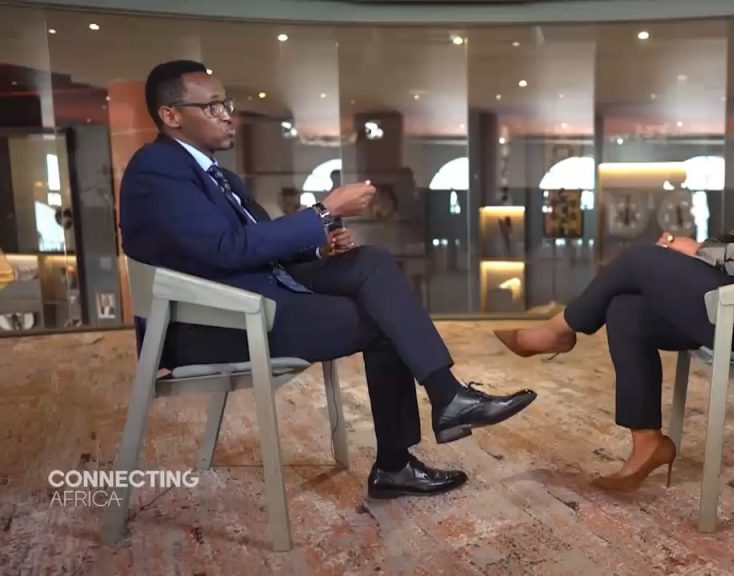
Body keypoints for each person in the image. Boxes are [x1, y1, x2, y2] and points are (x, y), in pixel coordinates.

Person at [120, 60, 536, 500]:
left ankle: (445, 400)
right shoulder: (156, 169)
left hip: (252, 298)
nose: (227, 115)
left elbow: (256, 240)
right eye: (212, 107)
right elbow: (226, 249)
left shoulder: (219, 175)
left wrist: (319, 249)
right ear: (171, 115)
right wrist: (324, 210)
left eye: (226, 104)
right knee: (383, 320)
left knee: (372, 262)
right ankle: (403, 456)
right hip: (210, 324)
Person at [494, 61, 734, 492]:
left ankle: (559, 330)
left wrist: (700, 253)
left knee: (639, 259)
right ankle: (648, 443)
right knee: (626, 309)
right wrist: (693, 247)